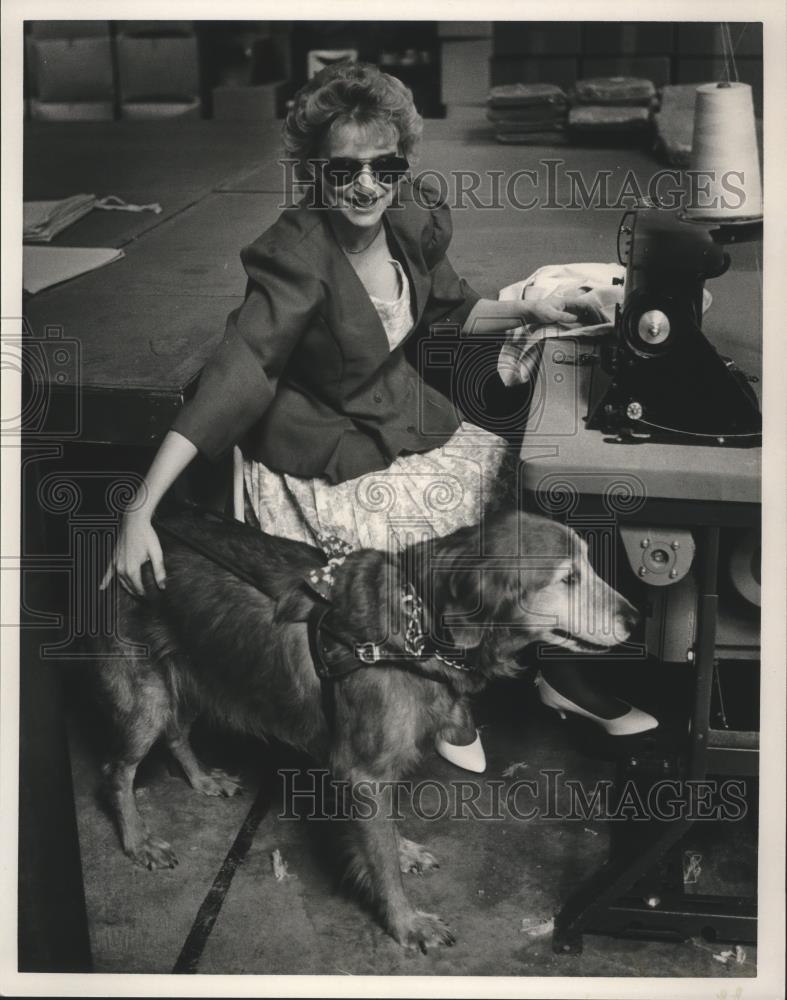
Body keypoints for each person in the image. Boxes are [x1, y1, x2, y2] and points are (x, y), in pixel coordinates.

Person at [101, 61, 655, 772]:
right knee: (434, 537)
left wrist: (531, 309)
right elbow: (237, 375)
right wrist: (141, 508)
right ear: (313, 171)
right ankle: (439, 692)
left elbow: (449, 308)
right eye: (343, 170)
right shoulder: (295, 256)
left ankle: (548, 667)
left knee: (519, 479)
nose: (365, 184)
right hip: (322, 440)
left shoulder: (408, 216)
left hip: (394, 413)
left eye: (383, 166)